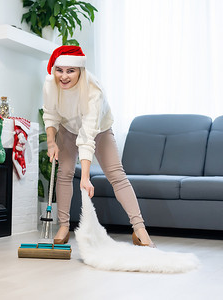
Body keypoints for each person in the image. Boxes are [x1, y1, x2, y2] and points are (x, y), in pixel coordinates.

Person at [42, 45, 155, 247]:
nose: (64, 76)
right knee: (64, 173)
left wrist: (85, 177)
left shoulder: (94, 92)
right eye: (60, 70)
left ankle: (140, 230)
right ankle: (64, 226)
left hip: (99, 129)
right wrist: (51, 142)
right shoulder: (50, 84)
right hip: (67, 127)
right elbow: (50, 115)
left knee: (116, 175)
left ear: (80, 70)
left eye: (71, 71)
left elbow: (87, 136)